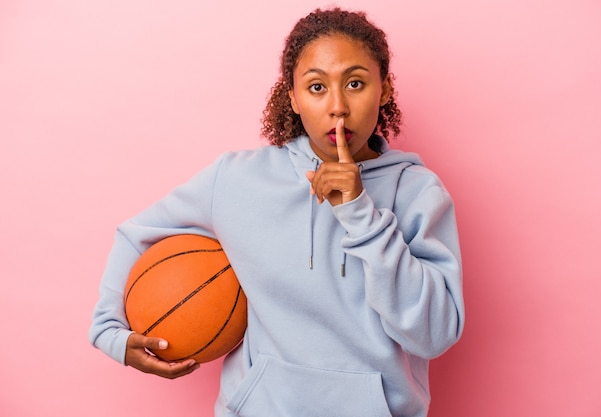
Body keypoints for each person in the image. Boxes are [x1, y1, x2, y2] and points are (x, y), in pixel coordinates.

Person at [89, 7, 464, 417]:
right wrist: (111, 333)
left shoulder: (417, 191)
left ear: (385, 89)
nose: (338, 106)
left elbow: (436, 333)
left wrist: (361, 215)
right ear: (293, 97)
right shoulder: (237, 179)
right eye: (317, 87)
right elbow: (135, 234)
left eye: (355, 83)